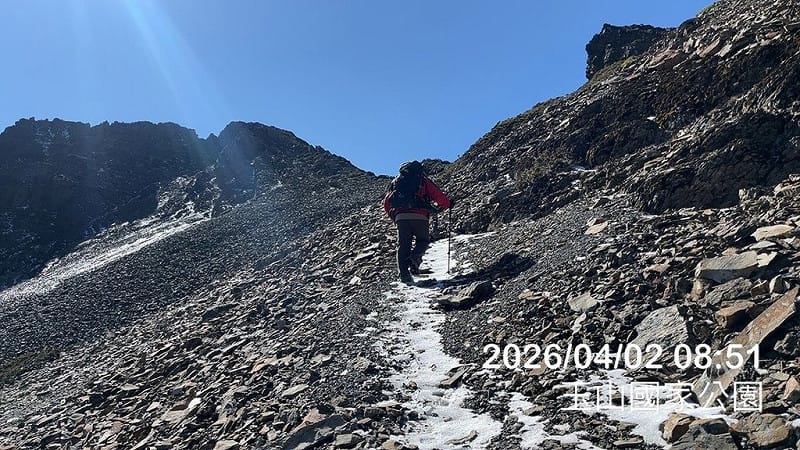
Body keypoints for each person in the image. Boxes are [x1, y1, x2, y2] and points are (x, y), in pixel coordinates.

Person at [382, 160, 452, 283]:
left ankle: (404, 276)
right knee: (423, 240)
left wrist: (394, 216)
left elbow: (386, 202)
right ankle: (414, 259)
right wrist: (448, 204)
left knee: (403, 245)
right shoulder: (422, 180)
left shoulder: (396, 182)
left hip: (401, 217)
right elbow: (437, 194)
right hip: (420, 216)